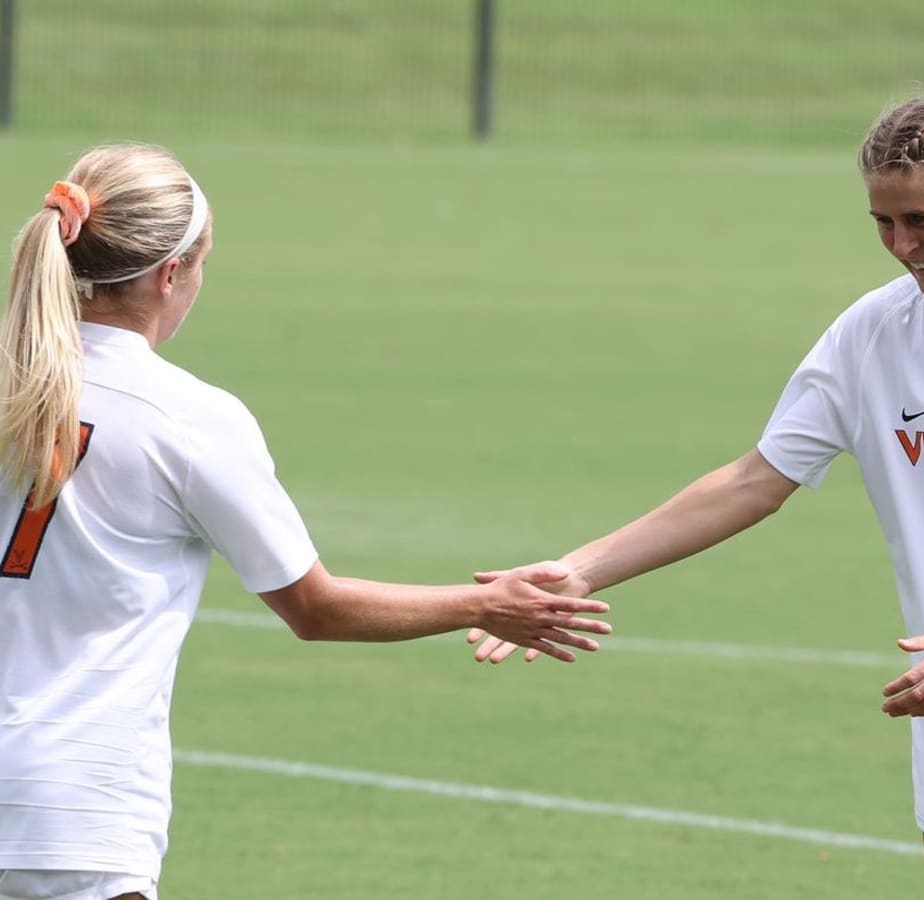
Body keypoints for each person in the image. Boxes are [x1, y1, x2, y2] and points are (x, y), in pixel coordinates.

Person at [466, 93, 924, 900]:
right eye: (883, 223)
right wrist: (579, 569)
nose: (901, 246)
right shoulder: (871, 337)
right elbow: (753, 482)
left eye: (920, 218)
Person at [0, 144, 612, 900]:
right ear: (169, 275)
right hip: (73, 818)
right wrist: (487, 603)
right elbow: (314, 608)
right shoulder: (188, 419)